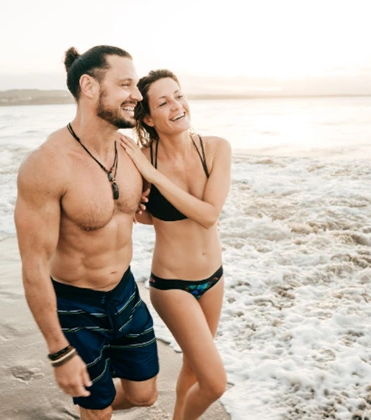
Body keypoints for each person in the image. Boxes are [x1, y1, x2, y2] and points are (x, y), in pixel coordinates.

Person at [14, 45, 159, 420]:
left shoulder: (131, 153)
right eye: (126, 84)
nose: (137, 95)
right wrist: (59, 351)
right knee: (98, 413)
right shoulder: (48, 164)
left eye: (137, 85)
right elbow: (33, 265)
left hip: (125, 292)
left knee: (145, 396)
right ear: (89, 87)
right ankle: (93, 405)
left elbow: (143, 210)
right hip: (75, 304)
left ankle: (99, 398)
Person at [119, 69, 231, 420]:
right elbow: (134, 209)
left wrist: (152, 178)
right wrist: (139, 207)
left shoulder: (215, 148)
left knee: (195, 370)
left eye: (179, 96)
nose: (177, 106)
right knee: (214, 384)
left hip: (213, 278)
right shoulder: (140, 159)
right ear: (148, 117)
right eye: (163, 102)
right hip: (172, 285)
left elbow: (208, 214)